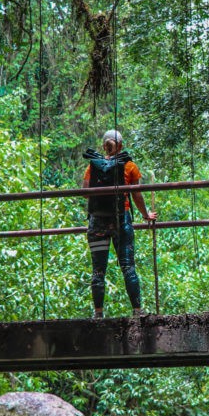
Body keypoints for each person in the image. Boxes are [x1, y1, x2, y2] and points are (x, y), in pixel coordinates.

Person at [83, 129, 156, 318]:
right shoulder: (129, 165)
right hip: (120, 219)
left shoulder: (93, 166)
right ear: (121, 145)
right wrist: (146, 214)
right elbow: (137, 195)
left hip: (97, 222)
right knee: (128, 266)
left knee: (98, 270)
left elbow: (85, 192)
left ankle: (98, 314)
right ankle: (137, 311)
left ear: (103, 145)